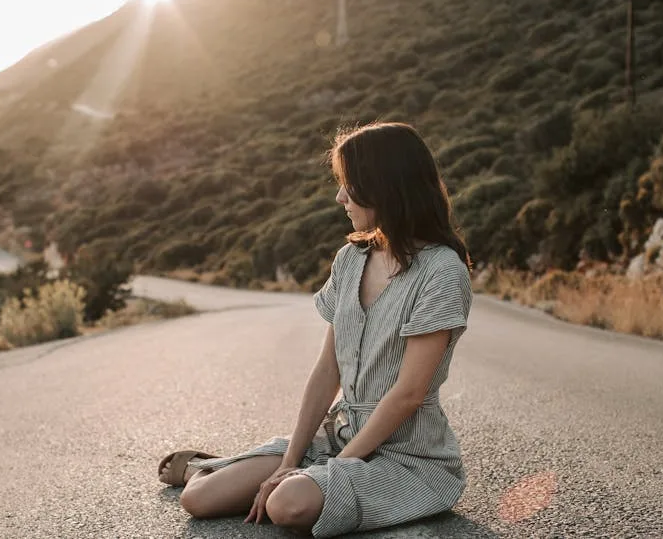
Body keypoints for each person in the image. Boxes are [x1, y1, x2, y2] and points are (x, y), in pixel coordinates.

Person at [157, 121, 474, 537]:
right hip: (339, 437)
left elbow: (409, 393)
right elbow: (328, 370)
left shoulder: (442, 271)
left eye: (350, 184)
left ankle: (284, 475)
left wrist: (333, 468)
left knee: (287, 504)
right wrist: (292, 459)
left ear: (385, 186)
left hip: (408, 455)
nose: (340, 197)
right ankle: (226, 466)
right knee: (197, 499)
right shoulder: (350, 259)